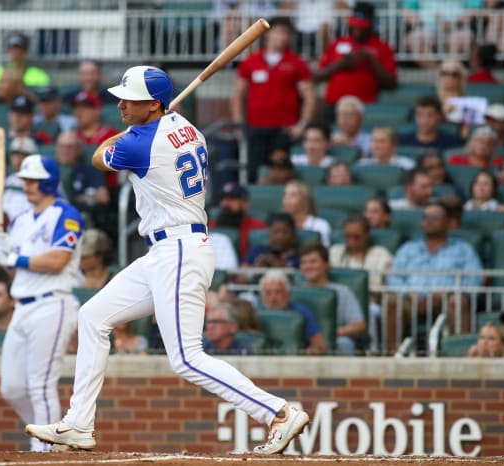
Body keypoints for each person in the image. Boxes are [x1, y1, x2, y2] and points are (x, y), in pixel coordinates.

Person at [24, 66, 309, 454]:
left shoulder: (140, 143)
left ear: (154, 104)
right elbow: (152, 131)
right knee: (92, 317)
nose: (121, 104)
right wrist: (150, 120)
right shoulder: (189, 128)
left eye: (131, 100)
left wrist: (137, 129)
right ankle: (78, 423)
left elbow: (95, 157)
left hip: (178, 251)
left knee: (187, 359)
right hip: (166, 250)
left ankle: (277, 411)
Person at [0, 154, 83, 452]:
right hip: (23, 305)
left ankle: (43, 452)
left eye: (33, 179)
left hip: (52, 304)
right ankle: (53, 439)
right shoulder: (19, 221)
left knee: (40, 386)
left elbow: (58, 259)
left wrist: (16, 258)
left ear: (49, 181)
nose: (27, 185)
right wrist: (3, 255)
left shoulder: (66, 214)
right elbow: (16, 268)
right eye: (26, 180)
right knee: (12, 387)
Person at [385, 202, 483, 352]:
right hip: (413, 302)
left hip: (446, 301)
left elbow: (475, 279)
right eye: (425, 217)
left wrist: (447, 293)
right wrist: (410, 293)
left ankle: (460, 354)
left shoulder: (463, 249)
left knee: (457, 301)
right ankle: (392, 355)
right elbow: (393, 278)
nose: (429, 220)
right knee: (391, 301)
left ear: (448, 222)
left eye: (435, 217)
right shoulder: (408, 248)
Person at [230, 18, 316, 183]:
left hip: (284, 130)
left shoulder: (297, 63)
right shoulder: (250, 62)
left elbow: (309, 96)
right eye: (279, 32)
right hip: (256, 128)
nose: (282, 37)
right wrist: (238, 124)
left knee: (281, 173)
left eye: (286, 33)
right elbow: (238, 94)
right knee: (253, 173)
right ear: (267, 34)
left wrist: (302, 124)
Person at [314, 1, 397, 119]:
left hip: (363, 107)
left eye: (362, 26)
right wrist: (342, 64)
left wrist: (370, 59)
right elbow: (317, 76)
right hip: (334, 104)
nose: (357, 29)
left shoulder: (382, 48)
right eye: (355, 24)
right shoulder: (338, 43)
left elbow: (391, 83)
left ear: (371, 24)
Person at [329, 213, 392, 351]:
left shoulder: (381, 253)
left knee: (370, 311)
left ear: (367, 235)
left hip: (371, 301)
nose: (351, 240)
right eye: (347, 236)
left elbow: (385, 285)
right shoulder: (335, 251)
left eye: (356, 236)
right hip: (340, 302)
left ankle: (372, 350)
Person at [299, 243, 367, 355]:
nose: (308, 266)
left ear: (326, 264)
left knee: (344, 343)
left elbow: (359, 324)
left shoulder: (343, 291)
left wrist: (329, 333)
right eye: (304, 262)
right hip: (305, 340)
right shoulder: (296, 292)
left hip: (334, 338)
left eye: (313, 261)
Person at [259, 269, 327, 355]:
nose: (273, 299)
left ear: (288, 294)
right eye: (268, 293)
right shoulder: (256, 313)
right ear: (262, 296)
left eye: (278, 292)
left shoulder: (301, 313)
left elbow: (320, 346)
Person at [0, 32, 50, 104]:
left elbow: (46, 99)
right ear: (8, 50)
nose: (15, 51)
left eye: (19, 48)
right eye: (12, 48)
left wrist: (19, 89)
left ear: (25, 50)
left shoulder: (38, 74)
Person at [55, 130, 110, 212]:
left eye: (69, 147)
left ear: (78, 150)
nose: (65, 151)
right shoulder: (49, 168)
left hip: (80, 215)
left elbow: (103, 198)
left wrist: (82, 198)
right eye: (61, 146)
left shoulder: (89, 169)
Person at [208, 182, 266, 259]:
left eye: (231, 199)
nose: (225, 204)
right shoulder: (212, 226)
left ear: (245, 203)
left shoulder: (258, 226)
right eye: (223, 199)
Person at [397, 96, 465, 155]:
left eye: (430, 115)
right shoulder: (402, 141)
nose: (424, 121)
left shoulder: (452, 143)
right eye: (419, 115)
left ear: (439, 116)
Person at [281, 180, 331, 247]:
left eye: (293, 195)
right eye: (285, 194)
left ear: (305, 199)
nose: (287, 199)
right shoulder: (279, 225)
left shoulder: (320, 225)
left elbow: (325, 251)